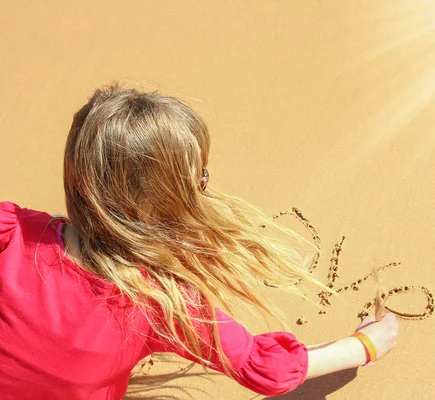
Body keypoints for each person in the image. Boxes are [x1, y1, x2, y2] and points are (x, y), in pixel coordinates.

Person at [0, 84, 399, 399]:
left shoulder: (12, 229)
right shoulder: (159, 302)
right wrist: (364, 345)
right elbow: (265, 369)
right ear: (164, 199)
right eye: (198, 180)